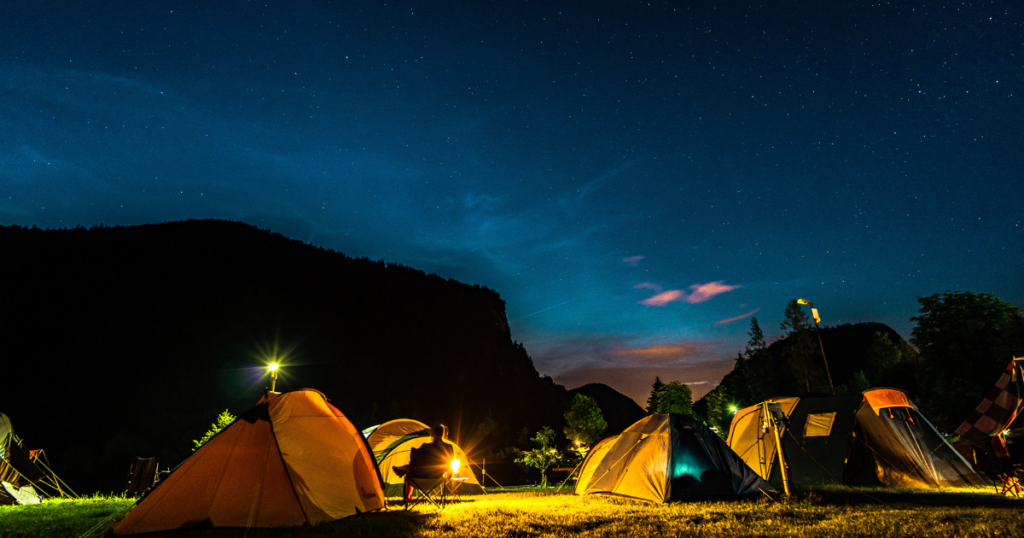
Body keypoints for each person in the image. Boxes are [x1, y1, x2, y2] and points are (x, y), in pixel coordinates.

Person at [393, 424, 455, 501]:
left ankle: (403, 471)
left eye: (431, 433)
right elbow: (450, 464)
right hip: (438, 479)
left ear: (433, 434)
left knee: (410, 471)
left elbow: (414, 462)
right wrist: (449, 476)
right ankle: (402, 469)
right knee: (413, 467)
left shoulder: (425, 446)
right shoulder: (449, 447)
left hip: (419, 478)